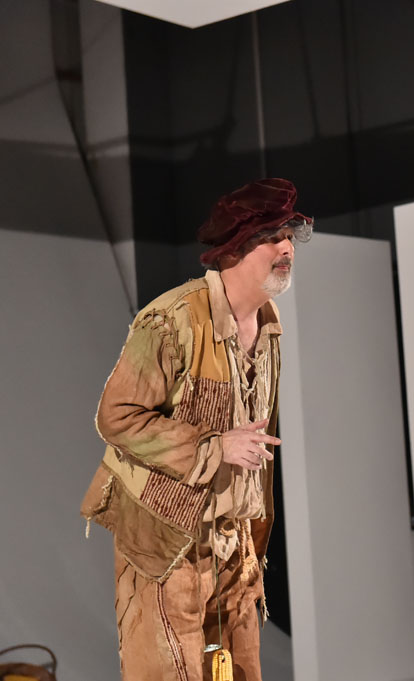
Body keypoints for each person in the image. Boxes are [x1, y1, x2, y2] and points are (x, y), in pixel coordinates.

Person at [80, 178, 313, 681]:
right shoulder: (172, 320)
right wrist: (213, 446)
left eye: (289, 236)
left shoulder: (269, 323)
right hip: (166, 540)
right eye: (271, 237)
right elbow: (117, 416)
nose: (287, 248)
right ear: (233, 250)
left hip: (235, 541)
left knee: (240, 671)